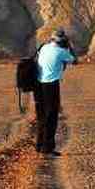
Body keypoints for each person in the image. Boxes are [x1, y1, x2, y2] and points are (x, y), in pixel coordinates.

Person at [33, 28, 78, 157]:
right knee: (51, 116)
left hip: (38, 85)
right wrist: (70, 47)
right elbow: (75, 61)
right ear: (62, 41)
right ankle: (47, 148)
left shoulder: (44, 47)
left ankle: (39, 145)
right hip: (50, 86)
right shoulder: (61, 51)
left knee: (41, 115)